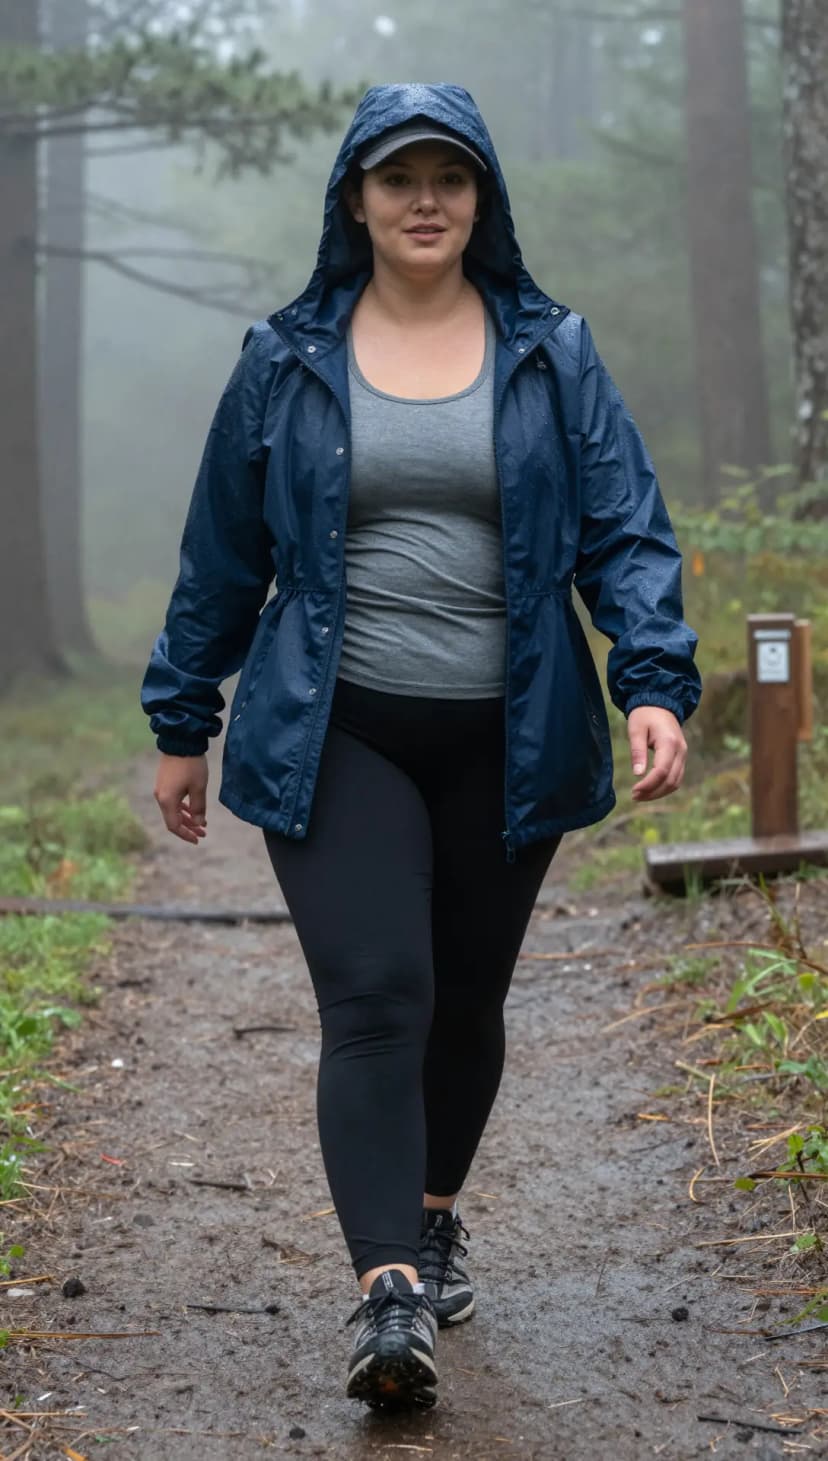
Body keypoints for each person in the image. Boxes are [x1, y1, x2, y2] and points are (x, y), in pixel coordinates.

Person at [141, 82, 702, 1412]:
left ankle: (434, 1207)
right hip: (336, 723)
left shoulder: (550, 352)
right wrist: (183, 719)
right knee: (381, 990)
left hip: (510, 736)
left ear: (484, 196)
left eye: (451, 175)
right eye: (400, 178)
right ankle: (388, 1286)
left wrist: (654, 680)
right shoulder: (286, 359)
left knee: (465, 999)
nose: (427, 198)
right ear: (357, 201)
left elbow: (626, 527)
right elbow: (223, 551)